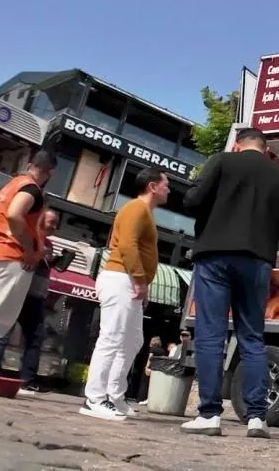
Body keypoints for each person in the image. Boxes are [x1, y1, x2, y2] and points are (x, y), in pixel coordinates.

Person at [181, 127, 279, 437]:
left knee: (211, 333)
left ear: (238, 146)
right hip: (258, 260)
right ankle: (257, 418)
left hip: (215, 255)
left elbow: (192, 202)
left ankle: (209, 414)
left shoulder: (221, 162)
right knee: (252, 336)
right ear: (266, 149)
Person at [80, 168, 169, 421]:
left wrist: (143, 285)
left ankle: (114, 396)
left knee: (132, 341)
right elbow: (128, 246)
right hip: (121, 279)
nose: (169, 189)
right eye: (166, 185)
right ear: (152, 186)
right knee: (111, 338)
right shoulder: (135, 209)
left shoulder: (145, 212)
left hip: (129, 281)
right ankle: (94, 398)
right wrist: (140, 281)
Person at [0, 150, 57, 379]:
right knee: (0, 317)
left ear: (30, 164)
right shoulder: (31, 189)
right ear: (50, 172)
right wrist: (28, 248)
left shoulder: (13, 184)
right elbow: (16, 215)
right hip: (12, 256)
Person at [0, 210, 61, 393]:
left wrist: (51, 261)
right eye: (50, 222)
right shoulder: (28, 236)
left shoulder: (49, 243)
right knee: (2, 329)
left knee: (36, 336)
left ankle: (28, 379)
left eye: (56, 224)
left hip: (35, 295)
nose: (53, 226)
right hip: (19, 290)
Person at [137, 336, 166, 405]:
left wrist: (146, 367)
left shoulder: (152, 349)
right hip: (156, 368)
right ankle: (149, 399)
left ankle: (142, 398)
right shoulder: (162, 350)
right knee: (152, 384)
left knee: (145, 383)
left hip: (150, 367)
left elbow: (150, 358)